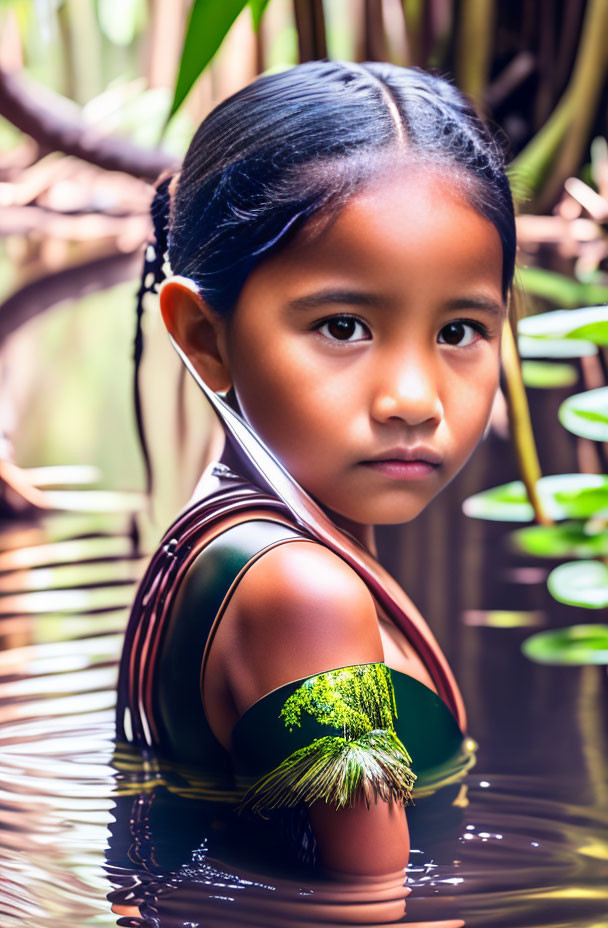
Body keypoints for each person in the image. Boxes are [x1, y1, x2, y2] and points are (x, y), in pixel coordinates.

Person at [115, 59, 515, 884]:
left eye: (459, 331)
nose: (412, 398)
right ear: (204, 335)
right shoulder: (307, 595)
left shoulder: (223, 534)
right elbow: (367, 901)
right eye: (342, 326)